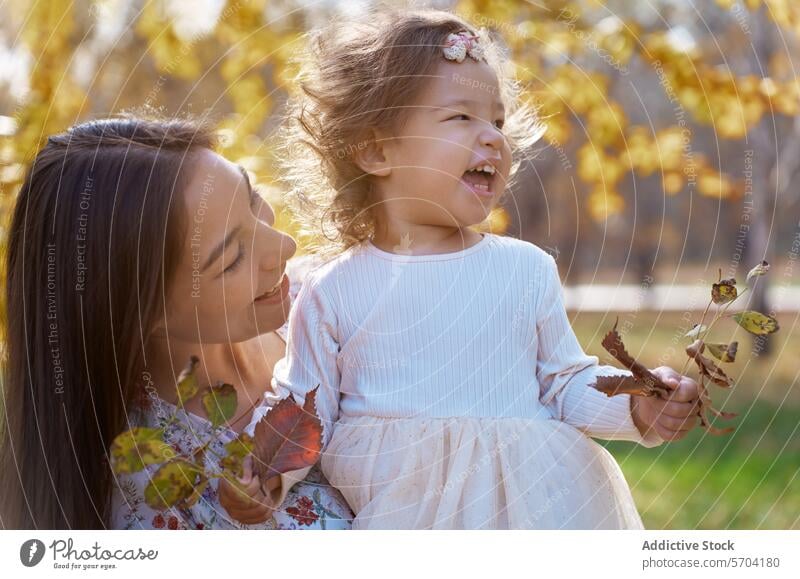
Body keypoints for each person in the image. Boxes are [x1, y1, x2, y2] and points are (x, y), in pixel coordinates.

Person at [264, 7, 701, 529]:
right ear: (376, 150)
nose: (493, 137)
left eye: (496, 121)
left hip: (534, 513)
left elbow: (563, 383)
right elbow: (304, 407)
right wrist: (264, 472)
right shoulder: (333, 290)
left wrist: (636, 406)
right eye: (460, 117)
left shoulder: (524, 270)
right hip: (407, 521)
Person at [0, 115, 353, 529]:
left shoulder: (336, 293)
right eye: (232, 258)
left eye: (252, 198)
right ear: (142, 316)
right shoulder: (156, 499)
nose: (285, 246)